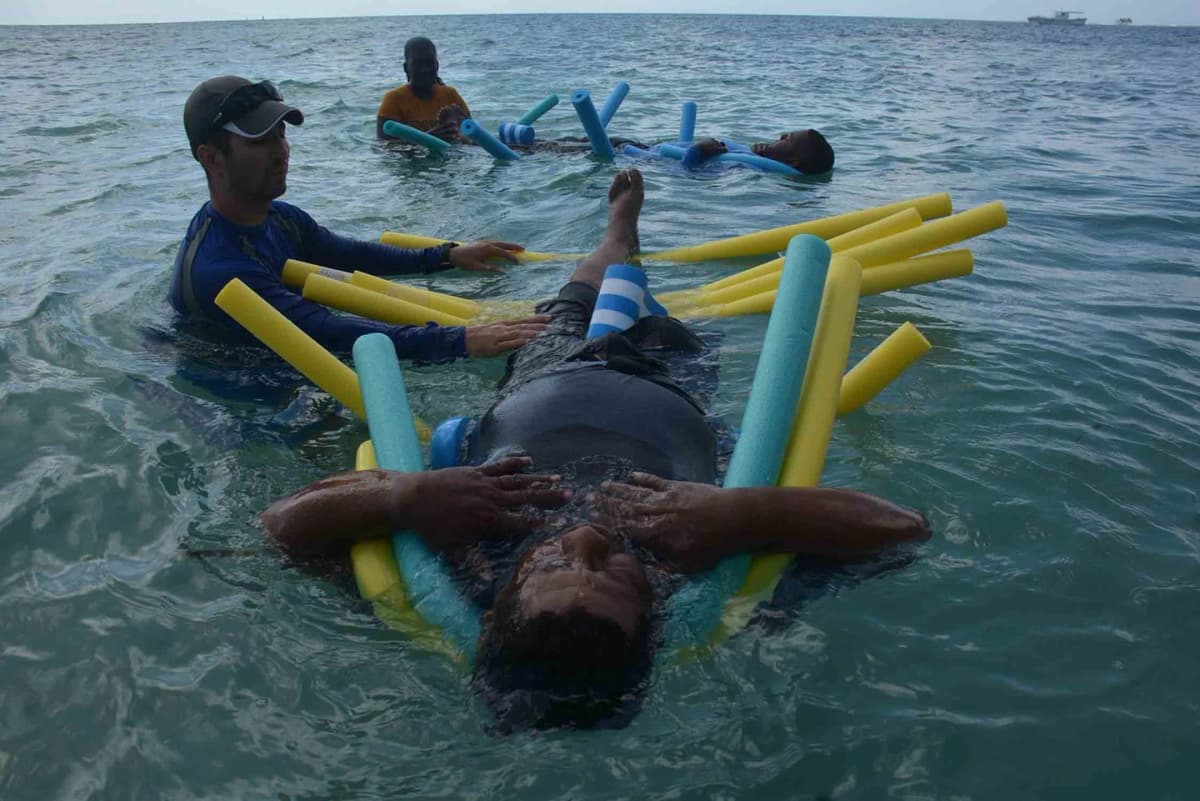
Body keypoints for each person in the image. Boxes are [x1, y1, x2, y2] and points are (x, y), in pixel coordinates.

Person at [261, 169, 929, 729]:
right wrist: (742, 515)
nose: (581, 541)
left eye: (548, 563)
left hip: (548, 374)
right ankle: (634, 267)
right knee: (664, 321)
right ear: (654, 615)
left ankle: (620, 230)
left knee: (580, 293)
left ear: (498, 603)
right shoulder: (695, 569)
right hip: (669, 388)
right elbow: (902, 530)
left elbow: (282, 528)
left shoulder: (468, 557)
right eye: (610, 568)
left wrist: (408, 495)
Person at [173, 75, 547, 362]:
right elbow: (328, 331)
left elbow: (351, 255)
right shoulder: (220, 268)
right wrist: (461, 340)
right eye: (259, 141)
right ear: (211, 157)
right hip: (241, 383)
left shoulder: (280, 219)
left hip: (298, 348)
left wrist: (447, 255)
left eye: (281, 135)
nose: (281, 151)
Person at [376, 37, 471, 142]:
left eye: (429, 63)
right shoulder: (394, 100)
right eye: (418, 64)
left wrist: (459, 133)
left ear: (437, 66)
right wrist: (428, 139)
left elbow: (474, 136)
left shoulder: (450, 96)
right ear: (406, 68)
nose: (425, 69)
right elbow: (383, 147)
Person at [678, 129, 836, 174]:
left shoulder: (745, 167)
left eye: (788, 139)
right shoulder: (753, 156)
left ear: (791, 162)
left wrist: (697, 149)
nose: (782, 135)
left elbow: (687, 172)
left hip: (655, 159)